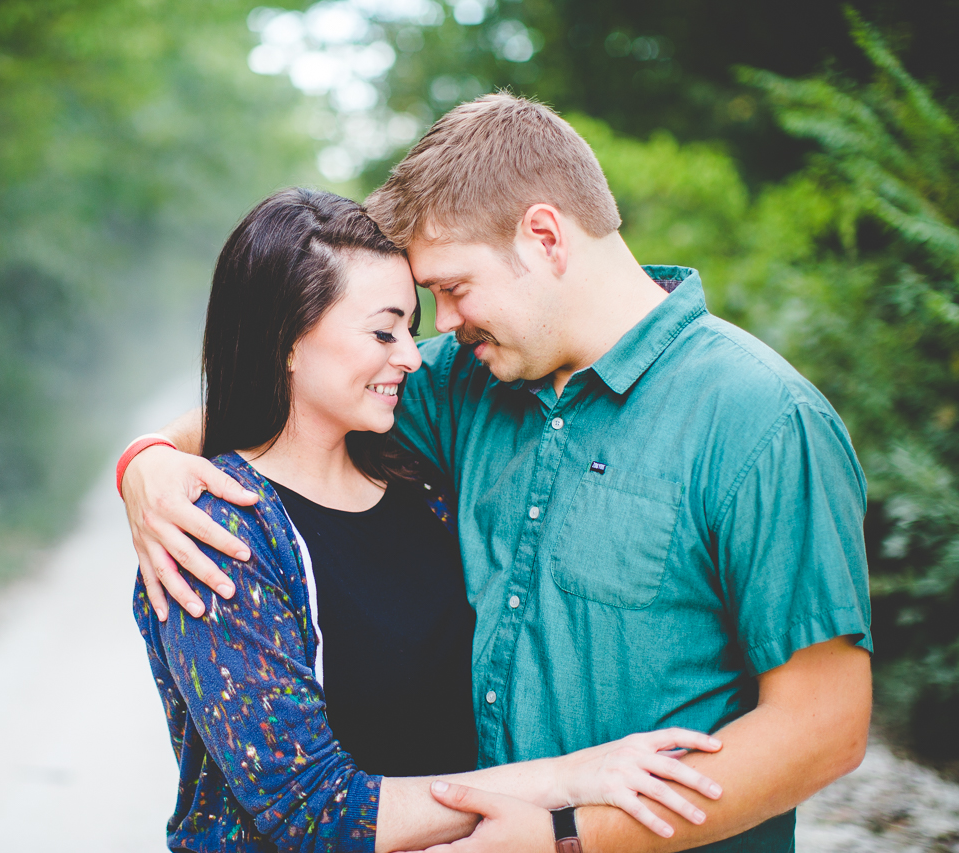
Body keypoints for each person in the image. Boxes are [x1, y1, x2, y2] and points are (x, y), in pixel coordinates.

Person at [121, 95, 874, 853]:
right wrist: (147, 461)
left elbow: (824, 728)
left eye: (452, 287)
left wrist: (568, 836)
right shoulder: (467, 382)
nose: (438, 326)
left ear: (543, 237)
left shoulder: (764, 419)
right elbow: (289, 403)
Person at [132, 187, 727, 853]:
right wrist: (574, 779)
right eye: (383, 330)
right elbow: (309, 810)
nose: (413, 357)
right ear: (287, 340)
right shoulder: (218, 528)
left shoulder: (420, 482)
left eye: (409, 330)